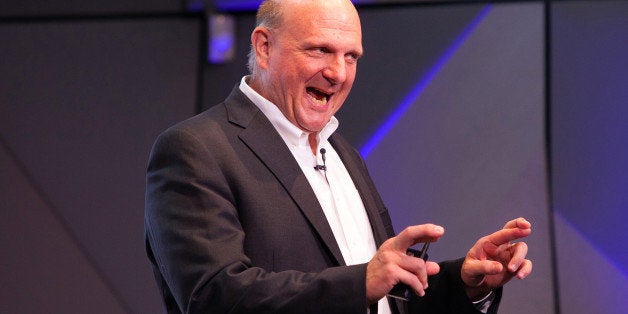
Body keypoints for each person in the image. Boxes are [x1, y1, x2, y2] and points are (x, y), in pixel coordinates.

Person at [144, 0, 533, 313]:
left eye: (351, 56)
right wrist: (360, 282)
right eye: (321, 50)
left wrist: (464, 282)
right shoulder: (196, 149)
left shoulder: (342, 152)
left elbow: (387, 298)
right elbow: (213, 297)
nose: (338, 73)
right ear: (264, 47)